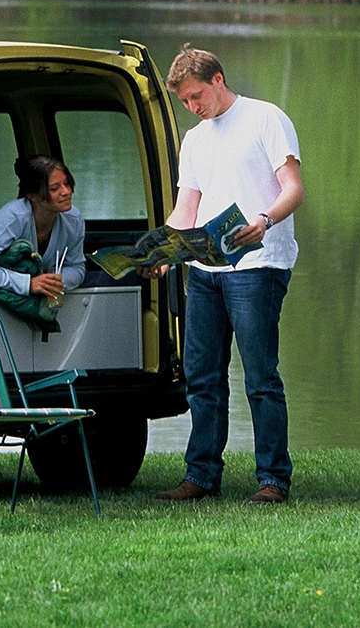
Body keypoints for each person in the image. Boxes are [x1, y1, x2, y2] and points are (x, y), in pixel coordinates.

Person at [149, 45, 303, 505]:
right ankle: (201, 476)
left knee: (259, 375)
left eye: (197, 96)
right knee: (202, 375)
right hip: (205, 269)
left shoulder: (266, 119)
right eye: (184, 102)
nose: (193, 107)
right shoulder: (194, 140)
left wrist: (265, 220)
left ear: (218, 79)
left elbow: (293, 188)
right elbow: (186, 209)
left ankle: (273, 479)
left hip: (258, 265)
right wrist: (164, 250)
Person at [0, 155, 86, 301]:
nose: (66, 192)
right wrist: (28, 284)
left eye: (67, 183)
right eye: (54, 188)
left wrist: (54, 283)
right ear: (32, 195)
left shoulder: (74, 219)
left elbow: (77, 268)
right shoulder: (12, 218)